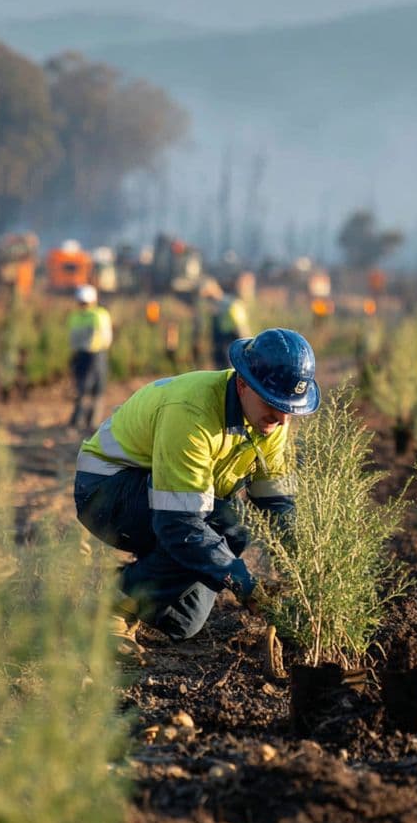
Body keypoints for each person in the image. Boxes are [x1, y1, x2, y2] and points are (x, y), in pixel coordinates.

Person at [73, 327, 320, 669]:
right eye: (273, 403)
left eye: (289, 409)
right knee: (229, 525)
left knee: (183, 622)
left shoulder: (272, 424)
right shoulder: (193, 411)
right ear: (243, 383)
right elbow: (179, 524)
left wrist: (306, 568)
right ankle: (111, 607)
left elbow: (277, 505)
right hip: (106, 490)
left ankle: (140, 578)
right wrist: (245, 584)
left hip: (170, 500)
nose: (281, 419)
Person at [68, 284, 113, 432]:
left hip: (96, 355)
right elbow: (73, 338)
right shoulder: (76, 316)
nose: (83, 305)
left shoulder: (99, 315)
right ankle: (79, 420)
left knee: (97, 389)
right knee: (83, 388)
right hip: (83, 355)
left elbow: (103, 337)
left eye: (85, 302)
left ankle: (93, 422)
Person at [202, 280, 252, 369]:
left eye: (208, 298)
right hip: (221, 343)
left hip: (231, 341)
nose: (208, 303)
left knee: (230, 369)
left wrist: (246, 345)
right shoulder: (218, 306)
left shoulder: (231, 304)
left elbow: (241, 327)